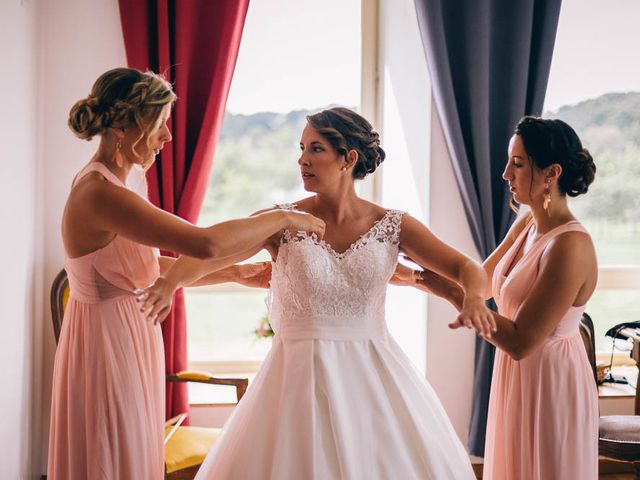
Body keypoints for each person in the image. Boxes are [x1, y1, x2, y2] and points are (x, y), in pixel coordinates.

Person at [139, 107, 496, 479]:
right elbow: (207, 255)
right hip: (295, 378)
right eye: (301, 148)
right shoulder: (280, 221)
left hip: (374, 374)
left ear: (349, 159)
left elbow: (465, 268)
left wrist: (471, 298)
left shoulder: (392, 224)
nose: (302, 159)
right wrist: (170, 282)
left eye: (316, 149)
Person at [47, 67, 325, 480]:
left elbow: (144, 267)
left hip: (127, 332)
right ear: (127, 127)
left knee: (126, 452)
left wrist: (235, 273)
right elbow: (203, 243)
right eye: (160, 124)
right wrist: (282, 217)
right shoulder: (100, 193)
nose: (168, 137)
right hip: (108, 344)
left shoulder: (119, 185)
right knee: (110, 452)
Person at [411, 116, 599, 480]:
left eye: (517, 164)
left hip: (551, 381)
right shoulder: (527, 222)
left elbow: (520, 341)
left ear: (551, 173)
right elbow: (481, 282)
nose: (504, 175)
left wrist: (452, 293)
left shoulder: (570, 245)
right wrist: (418, 273)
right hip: (516, 377)